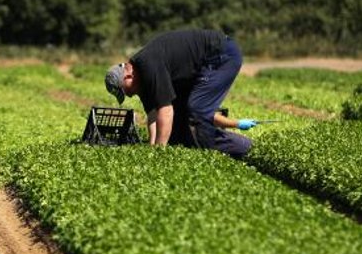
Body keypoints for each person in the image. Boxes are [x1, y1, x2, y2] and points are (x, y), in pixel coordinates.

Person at [104, 28, 255, 158]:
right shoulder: (141, 79)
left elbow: (166, 111)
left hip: (221, 56)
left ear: (128, 77)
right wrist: (152, 148)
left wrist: (159, 153)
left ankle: (247, 148)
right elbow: (153, 115)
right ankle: (207, 143)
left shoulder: (148, 66)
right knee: (178, 129)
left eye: (125, 90)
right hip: (202, 65)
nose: (129, 95)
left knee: (197, 113)